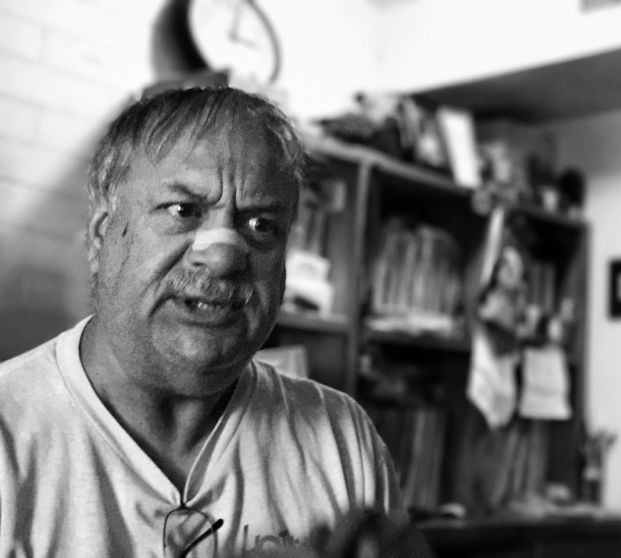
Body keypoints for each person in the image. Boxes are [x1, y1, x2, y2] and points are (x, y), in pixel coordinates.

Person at [0, 87, 425, 557]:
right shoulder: (10, 436)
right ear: (101, 236)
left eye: (260, 225)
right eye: (183, 211)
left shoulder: (341, 440)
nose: (223, 256)